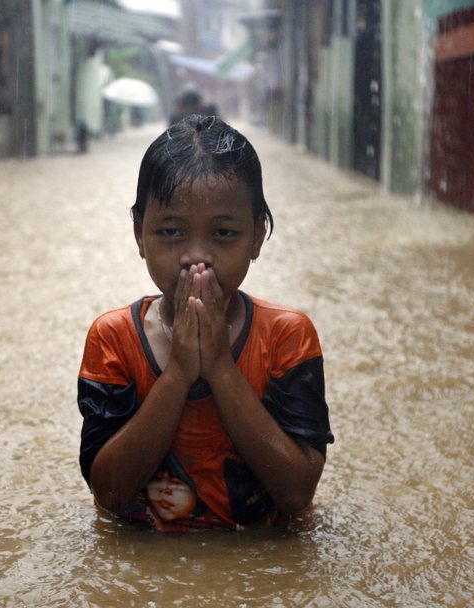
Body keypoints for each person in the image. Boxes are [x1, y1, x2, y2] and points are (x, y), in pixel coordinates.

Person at [77, 115, 334, 531]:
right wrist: (179, 373)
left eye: (223, 234)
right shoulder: (114, 338)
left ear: (256, 237)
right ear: (140, 234)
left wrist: (219, 366)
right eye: (171, 232)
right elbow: (109, 493)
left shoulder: (287, 336)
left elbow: (296, 493)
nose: (196, 256)